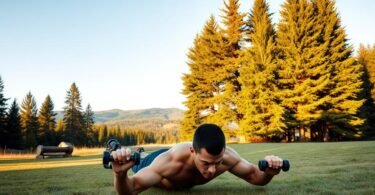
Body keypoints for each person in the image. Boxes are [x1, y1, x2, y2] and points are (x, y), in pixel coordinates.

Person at [111, 123, 285, 195]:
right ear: (193, 151)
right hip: (152, 159)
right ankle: (135, 152)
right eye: (206, 163)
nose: (212, 171)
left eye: (216, 163)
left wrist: (268, 173)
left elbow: (256, 177)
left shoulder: (227, 157)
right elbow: (130, 189)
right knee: (139, 160)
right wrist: (120, 175)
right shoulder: (170, 162)